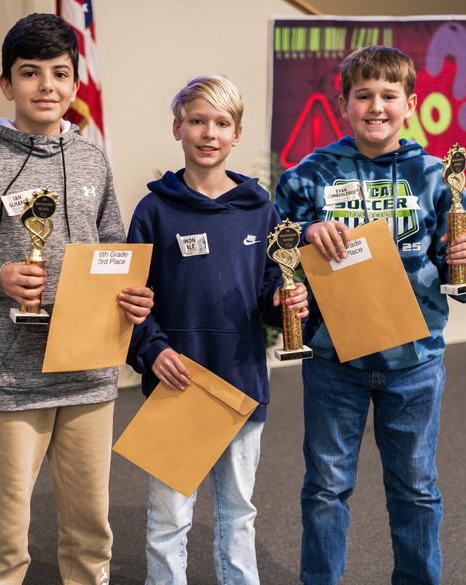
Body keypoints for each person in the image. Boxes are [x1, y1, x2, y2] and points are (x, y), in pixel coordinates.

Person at [0, 13, 153, 585]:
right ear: (6, 85)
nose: (46, 86)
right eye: (30, 73)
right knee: (3, 539)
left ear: (75, 84)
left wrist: (131, 296)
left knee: (91, 531)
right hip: (7, 378)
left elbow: (114, 248)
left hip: (89, 372)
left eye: (59, 73)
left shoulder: (93, 157)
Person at [274, 46, 466, 585]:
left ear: (410, 104)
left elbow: (460, 283)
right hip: (332, 361)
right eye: (362, 95)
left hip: (414, 364)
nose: (376, 106)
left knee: (416, 489)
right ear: (342, 103)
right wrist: (303, 236)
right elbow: (276, 262)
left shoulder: (437, 179)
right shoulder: (308, 176)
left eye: (389, 96)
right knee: (325, 488)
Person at [126, 75, 309, 585]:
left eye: (221, 123)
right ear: (177, 128)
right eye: (198, 121)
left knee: (239, 513)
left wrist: (286, 302)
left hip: (241, 383)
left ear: (237, 133)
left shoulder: (261, 208)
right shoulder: (153, 211)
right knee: (170, 518)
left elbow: (274, 290)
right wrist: (151, 351)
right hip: (176, 382)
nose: (209, 133)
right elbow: (130, 301)